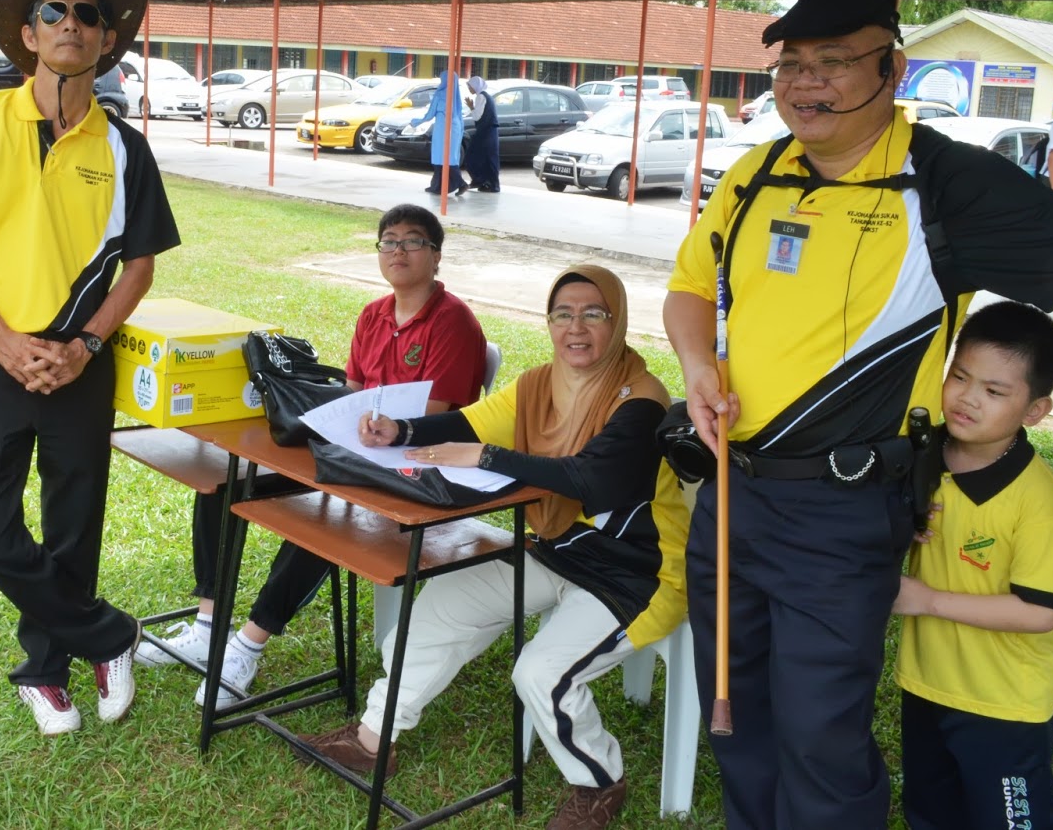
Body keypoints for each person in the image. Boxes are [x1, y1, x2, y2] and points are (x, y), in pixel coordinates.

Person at [663, 0, 1053, 830]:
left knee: (821, 737)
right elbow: (686, 290)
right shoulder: (756, 173)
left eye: (833, 62)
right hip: (731, 491)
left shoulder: (944, 181)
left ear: (891, 67)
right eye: (790, 64)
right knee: (736, 717)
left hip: (839, 508)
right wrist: (697, 362)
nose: (804, 82)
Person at [298, 265, 689, 830]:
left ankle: (600, 782)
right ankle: (371, 738)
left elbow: (590, 481)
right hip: (556, 549)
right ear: (549, 323)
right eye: (562, 314)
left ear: (618, 320)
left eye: (593, 313)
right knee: (436, 608)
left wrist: (485, 458)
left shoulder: (642, 398)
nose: (575, 327)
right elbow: (471, 421)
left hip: (638, 574)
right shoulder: (537, 385)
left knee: (540, 673)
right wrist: (402, 433)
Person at [0, 0, 180, 737]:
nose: (73, 24)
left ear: (106, 43)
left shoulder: (125, 148)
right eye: (56, 12)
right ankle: (108, 634)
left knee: (74, 520)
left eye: (89, 15)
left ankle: (45, 666)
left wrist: (87, 347)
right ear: (27, 34)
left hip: (80, 361)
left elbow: (139, 267)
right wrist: (0, 339)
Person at [137, 204, 487, 708]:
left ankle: (248, 645)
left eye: (413, 242)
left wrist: (373, 426)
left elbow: (435, 413)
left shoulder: (453, 322)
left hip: (414, 467)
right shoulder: (373, 315)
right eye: (389, 241)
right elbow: (351, 391)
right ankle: (208, 625)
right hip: (355, 454)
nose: (399, 251)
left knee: (325, 522)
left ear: (436, 256)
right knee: (221, 486)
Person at [893, 300, 1053, 830]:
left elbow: (1041, 610)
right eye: (960, 377)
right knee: (930, 813)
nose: (968, 399)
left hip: (1004, 702)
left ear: (1035, 410)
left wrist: (926, 601)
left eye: (994, 392)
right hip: (926, 683)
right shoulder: (924, 454)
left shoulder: (1038, 501)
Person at [412, 69, 467, 195]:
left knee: (439, 157)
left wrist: (417, 122)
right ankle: (440, 185)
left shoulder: (441, 94)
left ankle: (450, 184)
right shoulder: (456, 94)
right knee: (450, 158)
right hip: (455, 128)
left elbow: (430, 114)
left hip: (442, 128)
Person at [464, 75, 501, 192]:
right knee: (488, 158)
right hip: (489, 132)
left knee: (472, 157)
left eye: (470, 86)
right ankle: (487, 183)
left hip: (486, 132)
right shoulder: (486, 96)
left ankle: (482, 181)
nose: (469, 89)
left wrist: (471, 107)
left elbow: (477, 116)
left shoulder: (480, 97)